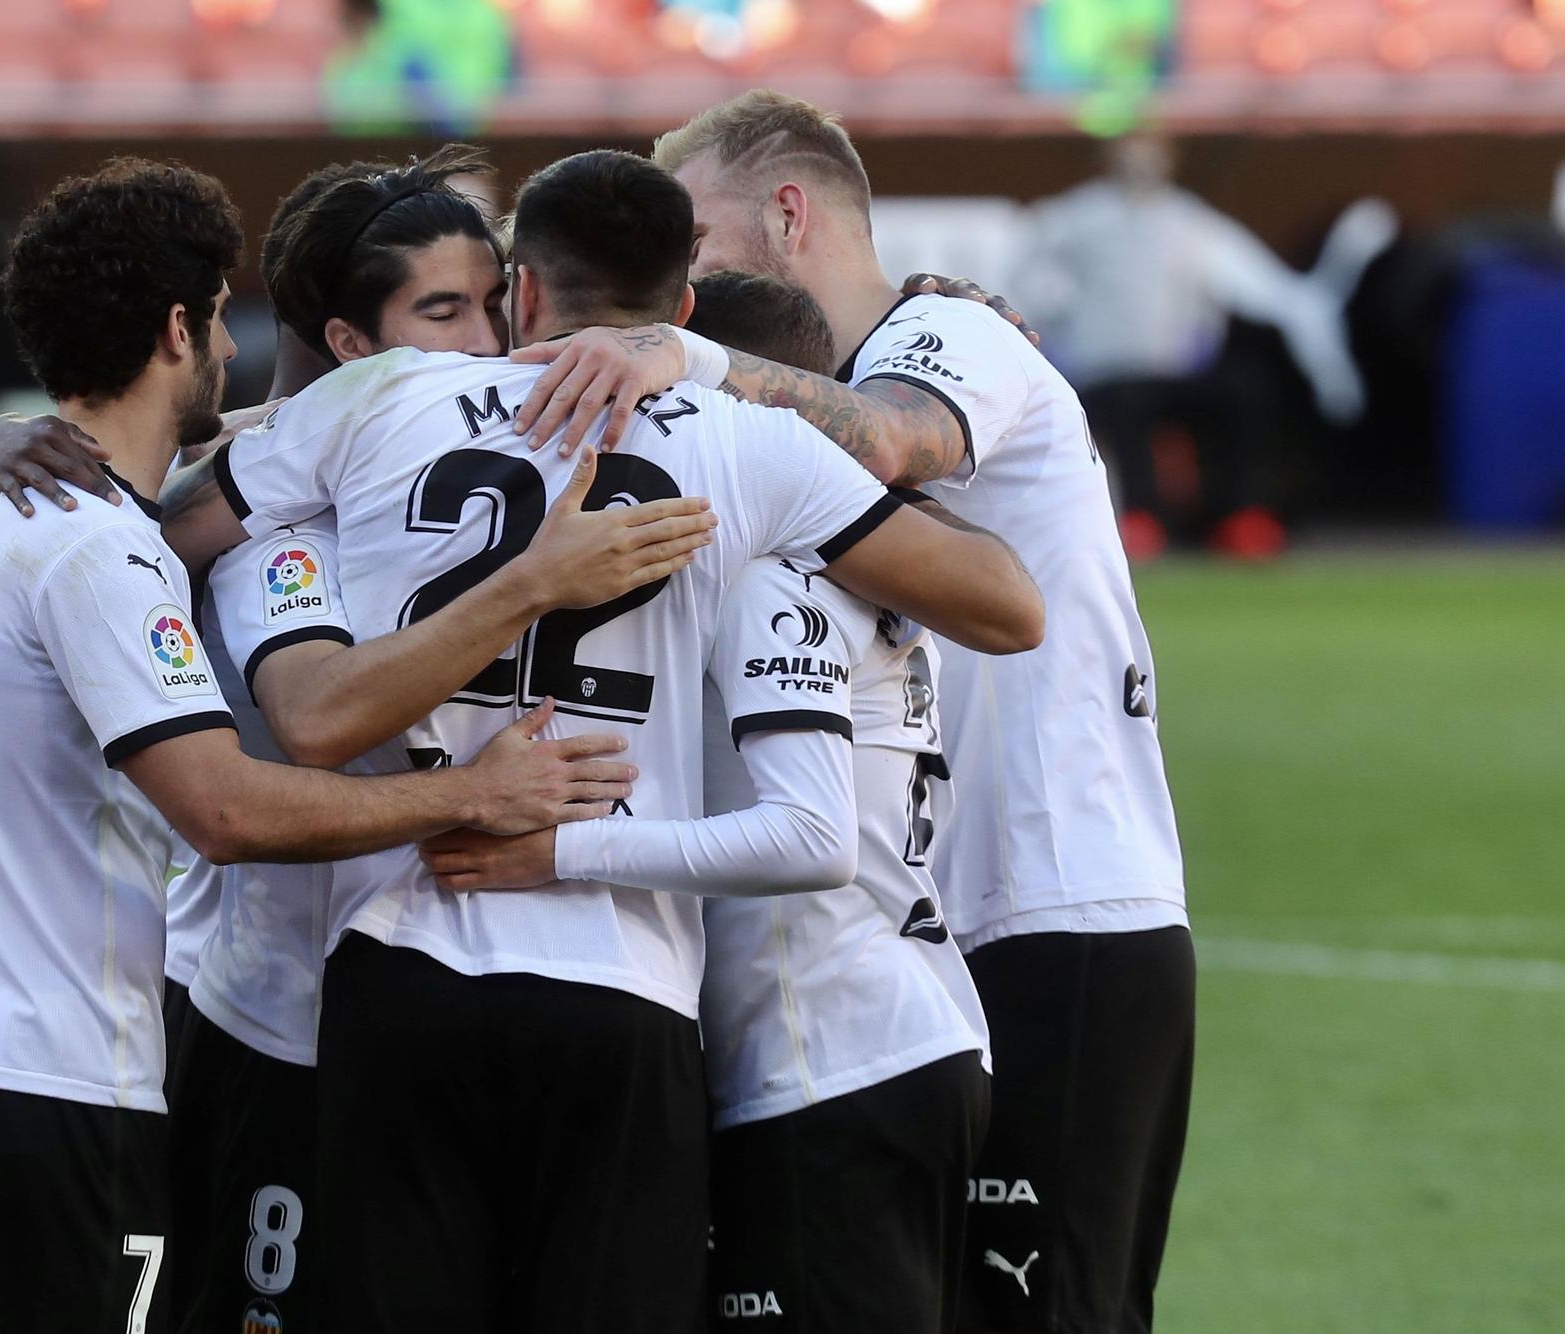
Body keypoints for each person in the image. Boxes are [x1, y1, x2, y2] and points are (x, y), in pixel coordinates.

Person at [156, 147, 1041, 1333]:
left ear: (520, 289)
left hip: (397, 961)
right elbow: (1004, 606)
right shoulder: (741, 442)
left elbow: (170, 527)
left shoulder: (372, 401)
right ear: (679, 307)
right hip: (620, 989)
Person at [0, 148, 719, 1334]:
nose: (487, 343)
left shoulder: (427, 448)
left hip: (419, 1010)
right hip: (267, 1011)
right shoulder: (258, 511)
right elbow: (293, 707)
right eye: (444, 310)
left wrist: (682, 348)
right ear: (354, 339)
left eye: (494, 301)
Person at [517, 91, 1195, 1334]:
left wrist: (697, 356)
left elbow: (893, 439)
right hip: (936, 937)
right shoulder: (792, 423)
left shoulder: (947, 337)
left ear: (786, 214)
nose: (678, 285)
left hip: (1055, 903)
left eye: (700, 245)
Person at [425, 271, 997, 1334]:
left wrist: (561, 848)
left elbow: (809, 835)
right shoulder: (848, 561)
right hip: (893, 1031)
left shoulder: (762, 573)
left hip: (826, 1058)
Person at [1022, 128, 1365, 557]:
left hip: (1173, 371)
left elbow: (1260, 285)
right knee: (1127, 405)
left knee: (1242, 392)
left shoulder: (1189, 222)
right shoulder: (1073, 220)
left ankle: (1239, 514)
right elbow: (1028, 278)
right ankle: (1140, 517)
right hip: (1102, 374)